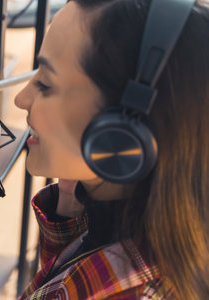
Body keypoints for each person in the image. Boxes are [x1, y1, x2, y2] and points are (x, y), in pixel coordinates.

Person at [14, 0, 208, 299]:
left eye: (45, 84)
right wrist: (69, 207)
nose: (21, 99)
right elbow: (67, 279)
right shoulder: (134, 213)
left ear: (121, 133)